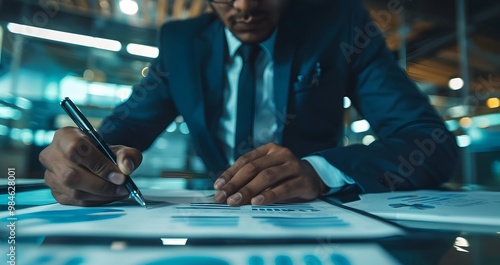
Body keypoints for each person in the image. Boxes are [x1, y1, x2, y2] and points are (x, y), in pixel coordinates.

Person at [39, 0, 458, 207]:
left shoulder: (339, 27)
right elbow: (112, 141)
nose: (244, 7)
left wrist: (320, 170)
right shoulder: (181, 43)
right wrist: (84, 162)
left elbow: (431, 143)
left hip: (318, 220)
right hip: (223, 215)